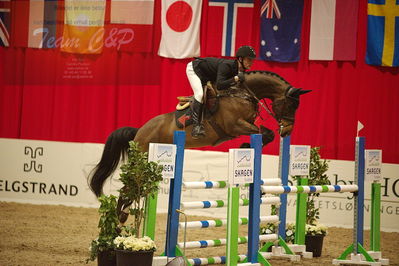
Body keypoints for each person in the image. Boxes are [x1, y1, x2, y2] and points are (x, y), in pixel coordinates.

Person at [186, 45, 256, 139]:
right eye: (249, 60)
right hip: (195, 69)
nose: (251, 63)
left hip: (208, 76)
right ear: (240, 59)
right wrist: (235, 79)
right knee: (199, 94)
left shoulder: (238, 70)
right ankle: (196, 126)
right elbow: (220, 85)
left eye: (252, 60)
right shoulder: (227, 66)